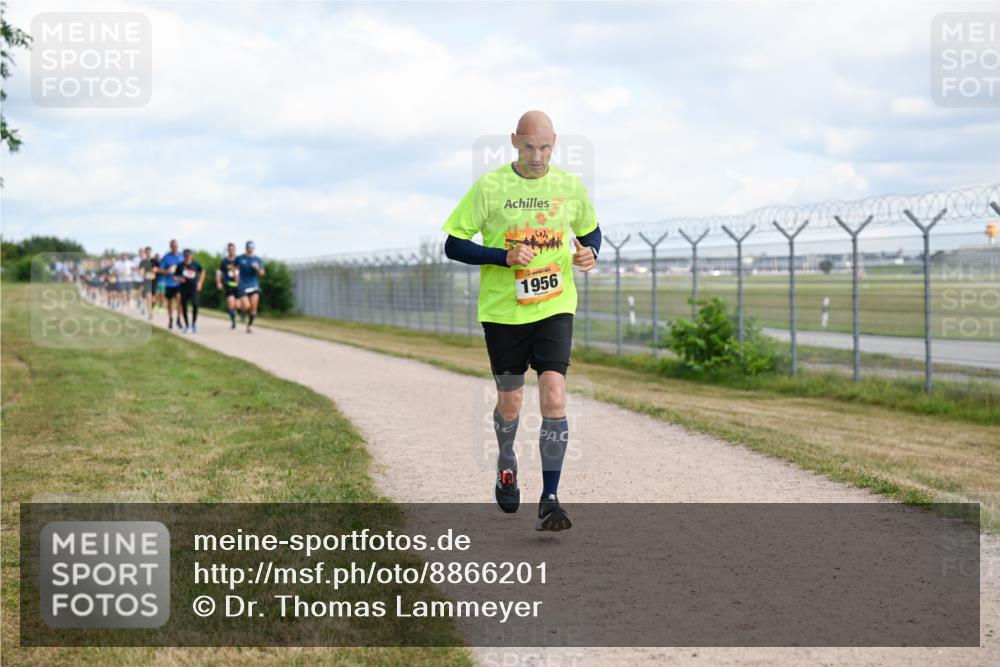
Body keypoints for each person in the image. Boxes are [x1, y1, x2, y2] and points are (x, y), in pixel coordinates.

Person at [442, 110, 601, 532]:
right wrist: (502, 257)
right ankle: (507, 458)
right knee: (510, 402)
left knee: (554, 394)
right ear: (514, 141)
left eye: (545, 146)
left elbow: (591, 231)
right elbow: (453, 244)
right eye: (529, 146)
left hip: (554, 305)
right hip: (503, 312)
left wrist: (591, 252)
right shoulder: (490, 186)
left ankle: (550, 498)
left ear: (556, 142)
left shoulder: (568, 186)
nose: (537, 155)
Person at [235, 241, 265, 333]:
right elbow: (234, 268)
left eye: (252, 247)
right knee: (247, 305)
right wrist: (236, 277)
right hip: (243, 284)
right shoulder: (240, 258)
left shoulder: (258, 260)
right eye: (249, 247)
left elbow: (262, 273)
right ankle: (241, 312)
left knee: (253, 309)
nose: (250, 249)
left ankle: (249, 326)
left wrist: (257, 269)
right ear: (246, 248)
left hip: (254, 285)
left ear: (254, 248)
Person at [175, 249, 205, 333]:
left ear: (191, 255)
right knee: (184, 306)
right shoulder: (180, 265)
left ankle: (194, 324)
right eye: (185, 255)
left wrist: (200, 283)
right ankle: (187, 325)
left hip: (193, 288)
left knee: (195, 304)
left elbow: (203, 271)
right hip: (183, 288)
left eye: (188, 255)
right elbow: (174, 277)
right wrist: (179, 279)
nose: (187, 256)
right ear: (183, 256)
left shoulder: (195, 264)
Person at [158, 240, 185, 329]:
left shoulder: (182, 256)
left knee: (179, 300)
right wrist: (167, 271)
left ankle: (178, 319)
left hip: (179, 283)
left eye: (176, 245)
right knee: (170, 302)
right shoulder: (166, 257)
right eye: (173, 246)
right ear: (170, 247)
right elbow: (160, 270)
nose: (175, 247)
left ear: (178, 246)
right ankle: (170, 319)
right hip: (169, 283)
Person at [216, 243, 241, 330]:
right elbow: (219, 272)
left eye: (233, 249)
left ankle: (239, 314)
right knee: (231, 304)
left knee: (238, 305)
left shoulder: (239, 260)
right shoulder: (224, 261)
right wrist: (218, 282)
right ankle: (233, 321)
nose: (231, 250)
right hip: (228, 284)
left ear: (235, 249)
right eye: (229, 249)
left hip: (238, 285)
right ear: (228, 250)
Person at [139, 247, 155, 320]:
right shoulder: (143, 262)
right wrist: (146, 275)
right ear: (145, 252)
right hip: (147, 282)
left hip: (155, 282)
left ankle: (145, 307)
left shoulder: (154, 260)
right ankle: (150, 313)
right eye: (147, 251)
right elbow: (141, 272)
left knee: (153, 298)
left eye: (149, 251)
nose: (148, 253)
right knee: (149, 297)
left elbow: (159, 269)